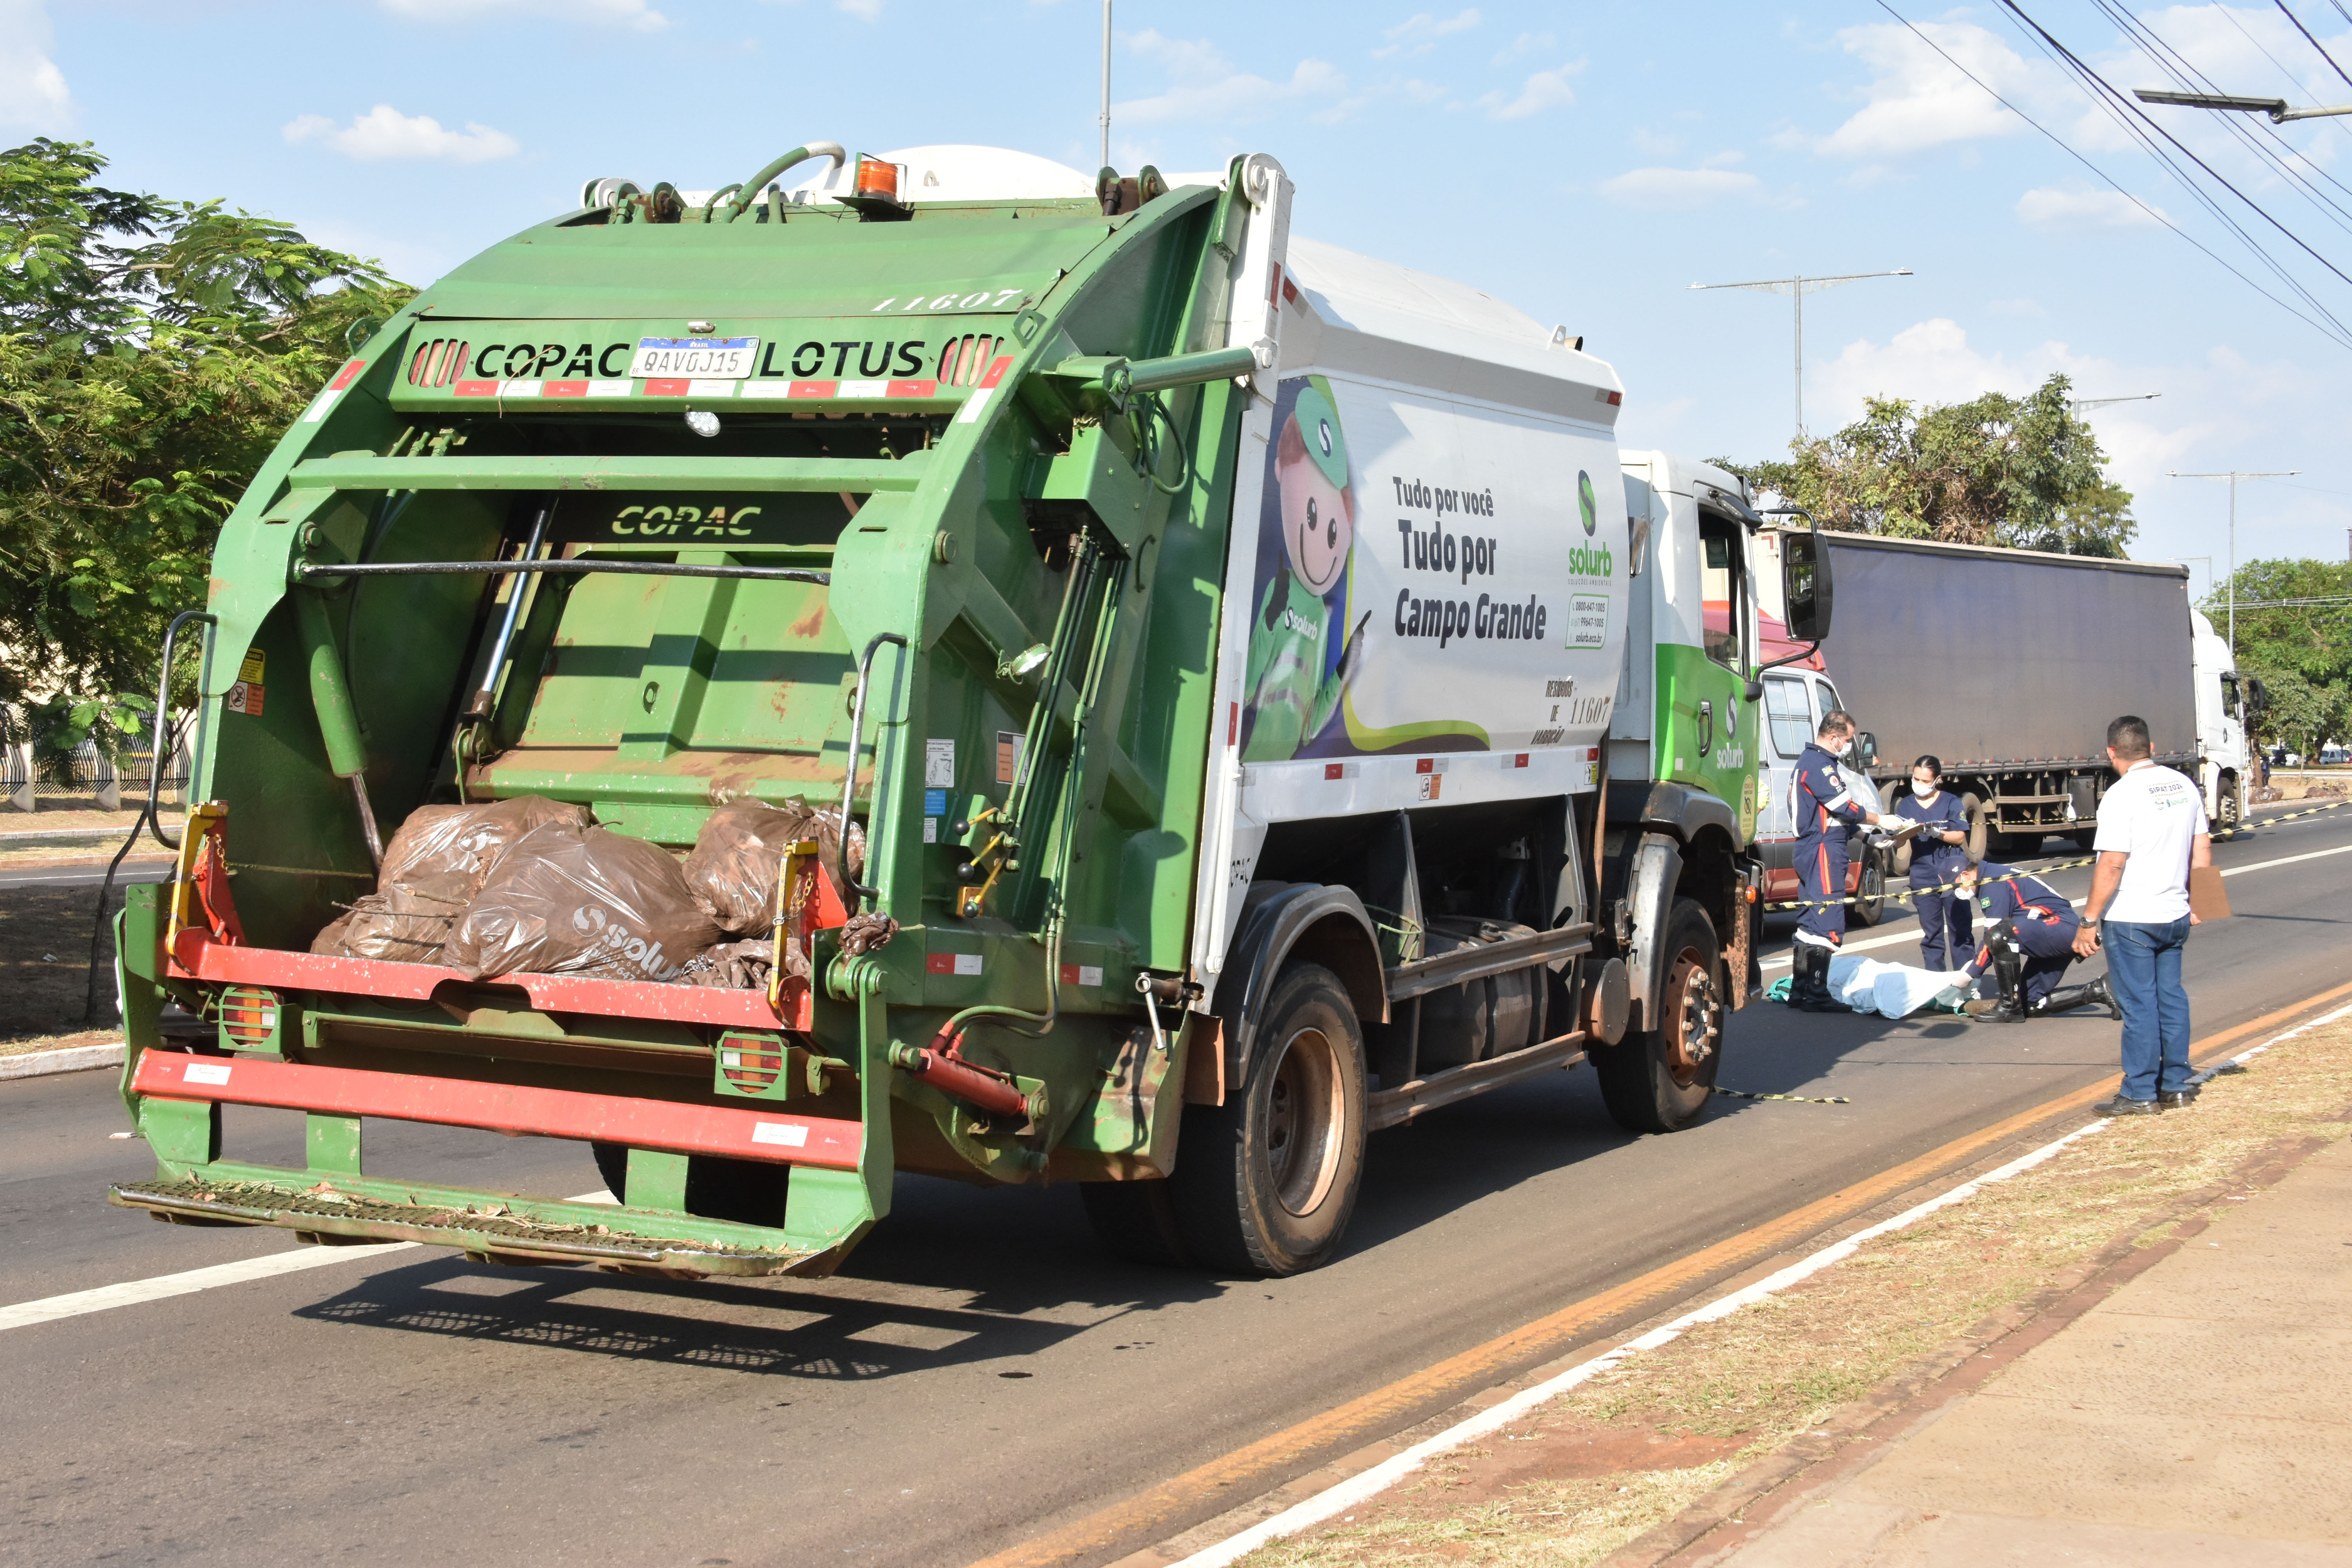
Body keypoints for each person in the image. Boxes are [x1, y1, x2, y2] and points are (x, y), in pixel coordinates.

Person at [2076, 714, 2212, 1115]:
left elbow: (2112, 864)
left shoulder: (2122, 794)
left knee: (2139, 1005)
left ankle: (2139, 1093)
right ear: (2152, 749)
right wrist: (2201, 903)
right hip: (2175, 914)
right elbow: (2202, 849)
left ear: (2111, 753)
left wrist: (2088, 921)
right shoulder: (2185, 785)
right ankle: (2176, 1086)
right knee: (2171, 999)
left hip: (2134, 917)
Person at [1788, 709, 1893, 1012]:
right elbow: (1843, 807)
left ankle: (1801, 989)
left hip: (1815, 846)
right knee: (1828, 920)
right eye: (1847, 740)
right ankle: (1817, 993)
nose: (1848, 746)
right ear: (1833, 738)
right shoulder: (1820, 766)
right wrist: (1880, 819)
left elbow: (1834, 816)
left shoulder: (1811, 763)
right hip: (1823, 849)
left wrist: (1868, 838)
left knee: (1809, 920)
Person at [1954, 861, 2117, 1022]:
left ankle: (2009, 1008)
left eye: (1954, 886)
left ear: (1966, 875)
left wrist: (1970, 973)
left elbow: (1995, 936)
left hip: (2060, 927)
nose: (1955, 892)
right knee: (2031, 1004)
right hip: (2050, 929)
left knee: (2000, 934)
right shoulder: (1992, 874)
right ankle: (2099, 990)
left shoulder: (1992, 881)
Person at [1894, 755, 1971, 972]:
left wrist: (1938, 833)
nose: (1919, 784)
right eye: (1916, 779)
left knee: (1960, 931)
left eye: (1925, 781)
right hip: (1923, 875)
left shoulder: (1950, 802)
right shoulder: (1906, 805)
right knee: (1932, 935)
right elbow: (1897, 842)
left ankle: (1965, 982)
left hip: (1953, 874)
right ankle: (1936, 987)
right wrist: (1901, 832)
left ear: (1938, 780)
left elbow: (1960, 837)